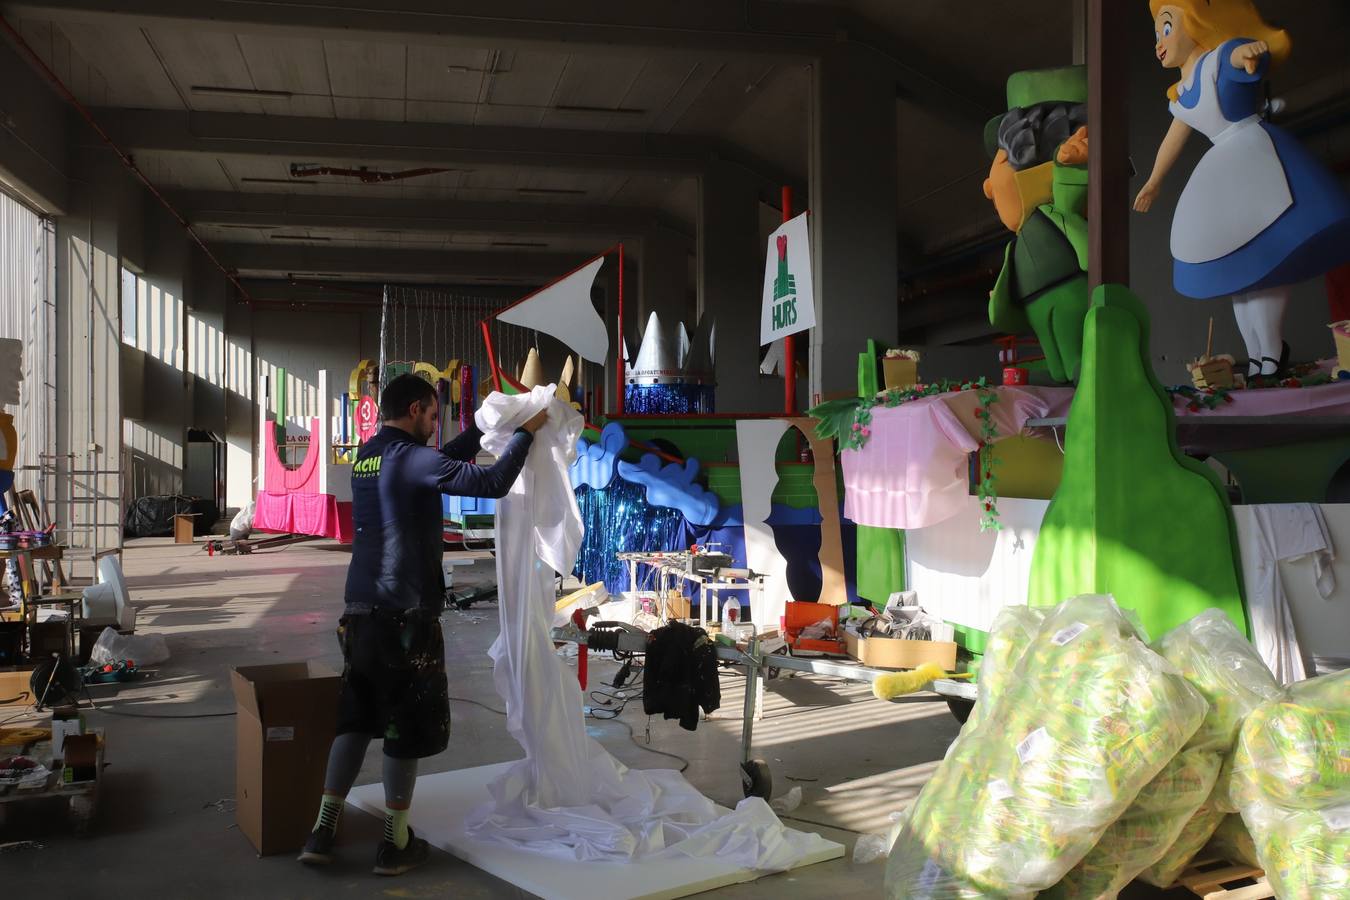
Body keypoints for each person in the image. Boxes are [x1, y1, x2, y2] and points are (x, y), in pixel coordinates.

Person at [299, 373, 546, 875]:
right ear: (414, 409)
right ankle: (395, 843)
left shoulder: (369, 455)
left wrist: (486, 426)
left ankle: (322, 831)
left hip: (360, 612)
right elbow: (490, 482)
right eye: (433, 417)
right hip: (405, 616)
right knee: (403, 727)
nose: (436, 427)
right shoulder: (411, 458)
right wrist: (526, 433)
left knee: (357, 717)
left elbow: (443, 459)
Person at [1134, 1, 1350, 380]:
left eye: (1166, 28)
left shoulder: (1218, 59)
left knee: (1264, 267)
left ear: (1197, 21)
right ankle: (1258, 356)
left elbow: (1239, 53)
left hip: (1253, 155)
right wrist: (1153, 182)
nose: (1159, 43)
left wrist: (1248, 52)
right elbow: (1173, 139)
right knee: (1240, 277)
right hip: (1224, 167)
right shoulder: (1183, 92)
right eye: (1157, 34)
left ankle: (1270, 354)